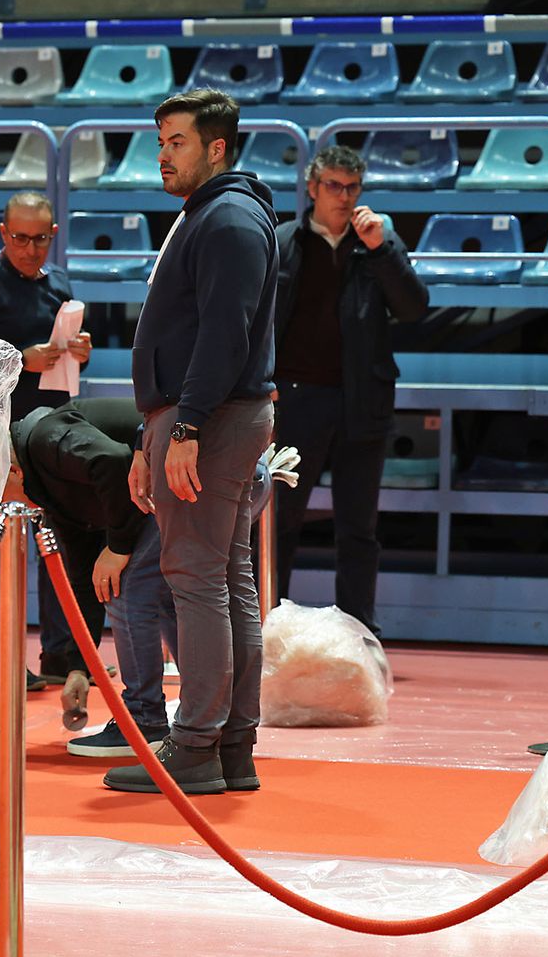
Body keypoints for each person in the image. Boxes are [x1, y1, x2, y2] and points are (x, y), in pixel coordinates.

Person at [105, 88, 278, 796]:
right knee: (227, 578)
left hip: (210, 419)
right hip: (212, 416)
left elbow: (223, 335)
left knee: (200, 581)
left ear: (217, 146)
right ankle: (230, 745)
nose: (163, 155)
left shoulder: (227, 218)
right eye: (160, 143)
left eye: (177, 142)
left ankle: (199, 743)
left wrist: (185, 427)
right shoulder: (220, 213)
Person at [272, 144, 429, 635]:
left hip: (363, 400)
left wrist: (381, 249)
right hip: (295, 400)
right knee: (279, 522)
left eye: (352, 187)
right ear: (312, 188)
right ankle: (266, 629)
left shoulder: (377, 241)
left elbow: (413, 308)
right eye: (334, 186)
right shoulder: (283, 241)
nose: (344, 196)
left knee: (358, 528)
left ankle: (360, 634)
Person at [0, 191, 95, 693]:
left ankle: (60, 655)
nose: (32, 249)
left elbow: (68, 356)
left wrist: (80, 352)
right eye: (22, 239)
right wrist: (18, 359)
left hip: (53, 427)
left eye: (41, 239)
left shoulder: (60, 284)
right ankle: (3, 660)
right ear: (4, 234)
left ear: (54, 235)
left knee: (62, 543)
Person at [4, 397, 173, 755]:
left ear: (14, 473)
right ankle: (214, 720)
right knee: (171, 600)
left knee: (129, 592)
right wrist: (79, 668)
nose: (4, 508)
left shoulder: (46, 438)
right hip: (199, 473)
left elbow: (112, 460)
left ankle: (144, 721)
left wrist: (118, 547)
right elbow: (87, 583)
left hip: (185, 472)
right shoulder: (50, 490)